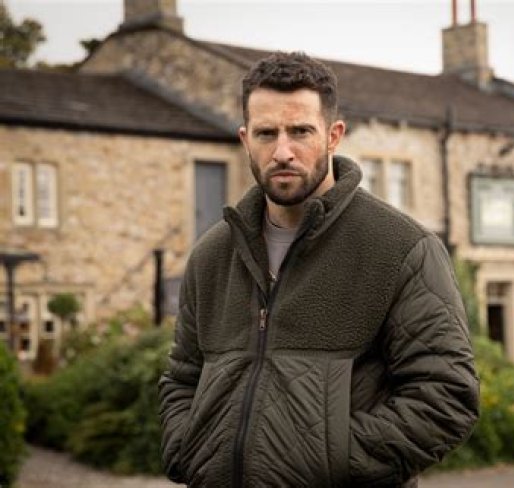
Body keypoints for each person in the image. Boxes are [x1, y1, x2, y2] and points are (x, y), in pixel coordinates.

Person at [158, 51, 478, 488]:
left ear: (333, 136)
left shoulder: (401, 248)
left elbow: (446, 397)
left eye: (300, 131)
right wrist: (189, 451)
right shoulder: (212, 255)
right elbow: (182, 379)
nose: (282, 151)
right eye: (266, 133)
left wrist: (324, 462)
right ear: (245, 139)